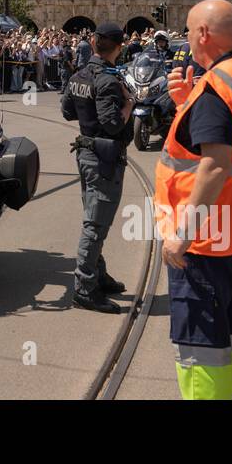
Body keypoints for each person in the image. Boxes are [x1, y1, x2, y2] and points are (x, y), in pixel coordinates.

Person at [155, 0, 232, 400]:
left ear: (203, 34)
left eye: (188, 31)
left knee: (202, 344)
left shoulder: (215, 88)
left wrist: (181, 235)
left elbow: (216, 165)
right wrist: (186, 104)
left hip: (206, 241)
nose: (186, 39)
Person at [61, 22, 134, 313]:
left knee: (96, 218)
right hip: (103, 158)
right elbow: (113, 123)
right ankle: (84, 288)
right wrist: (128, 105)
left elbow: (67, 111)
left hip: (86, 153)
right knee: (95, 224)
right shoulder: (107, 81)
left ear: (94, 44)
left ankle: (97, 275)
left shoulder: (80, 74)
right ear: (119, 47)